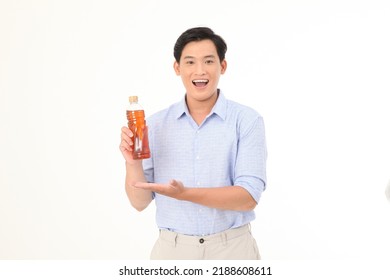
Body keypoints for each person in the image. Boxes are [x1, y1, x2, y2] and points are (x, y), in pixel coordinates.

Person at [119, 27, 267, 260]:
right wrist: (131, 163)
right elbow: (139, 203)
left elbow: (248, 196)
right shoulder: (155, 125)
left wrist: (185, 193)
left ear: (223, 66)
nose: (200, 71)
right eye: (190, 62)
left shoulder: (247, 120)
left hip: (232, 250)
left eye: (209, 61)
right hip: (173, 251)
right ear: (177, 68)